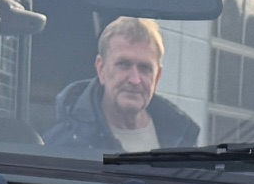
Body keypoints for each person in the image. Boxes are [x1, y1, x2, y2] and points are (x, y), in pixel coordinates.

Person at [41, 17, 200, 154]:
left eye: (145, 68)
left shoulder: (181, 138)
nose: (135, 80)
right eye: (123, 65)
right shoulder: (65, 144)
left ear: (157, 77)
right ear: (101, 69)